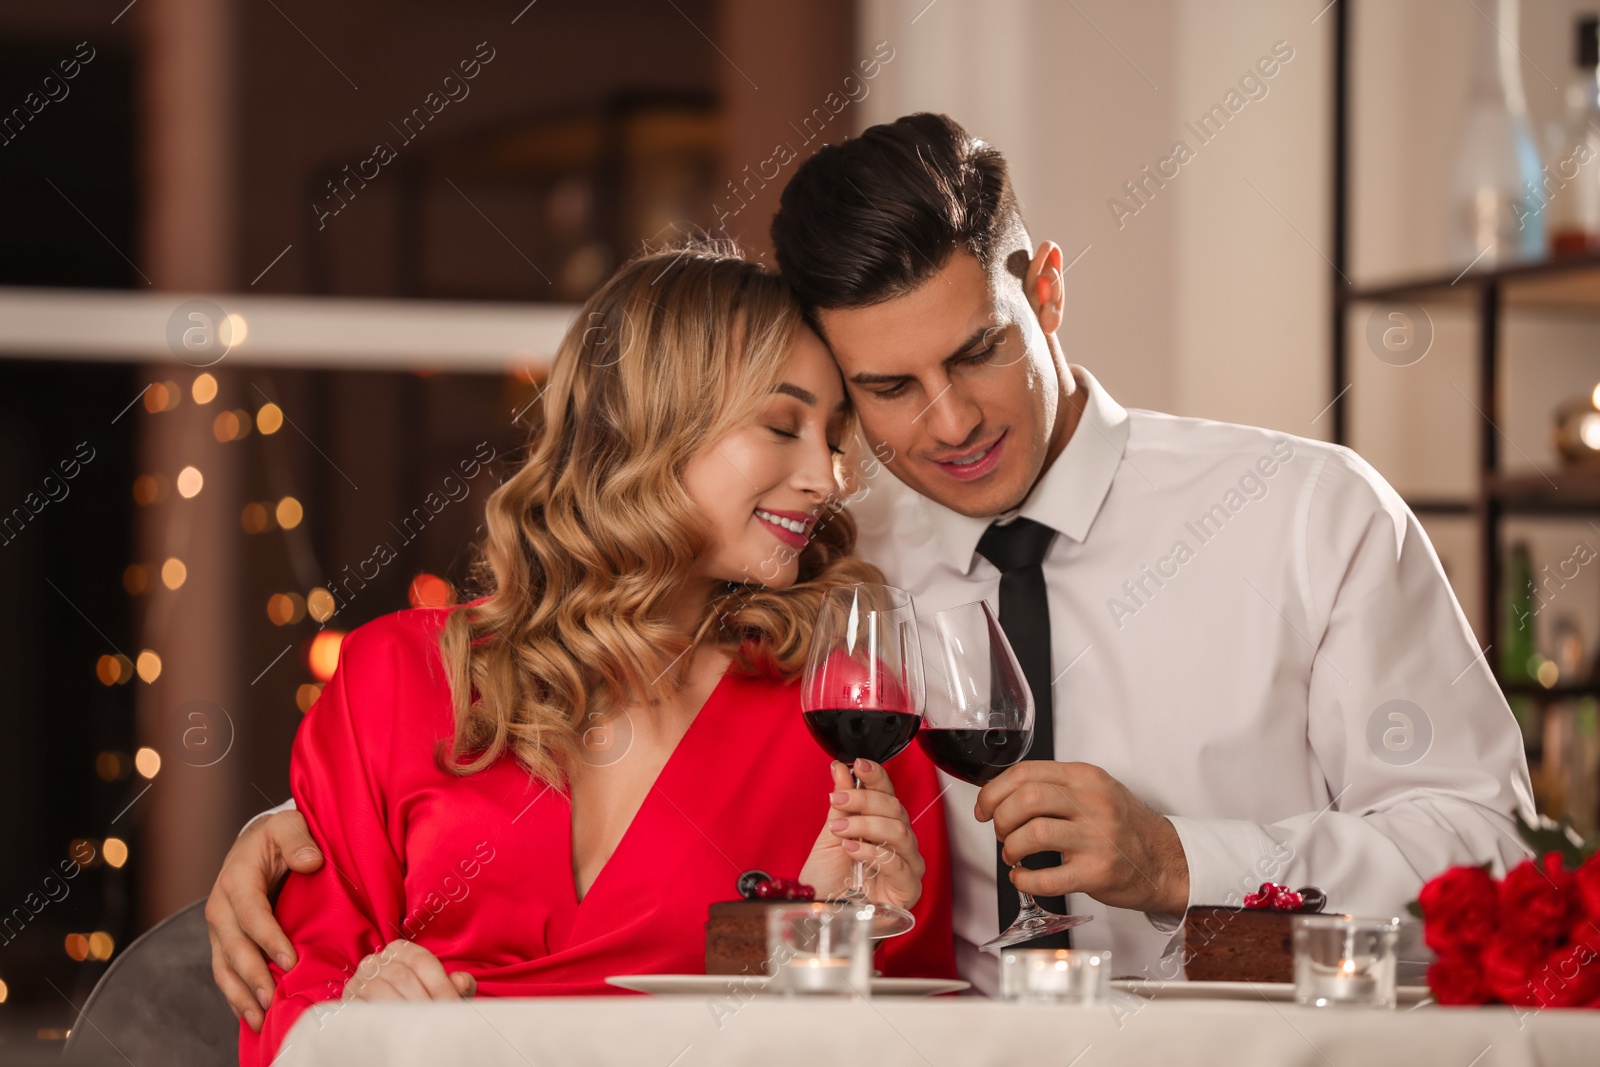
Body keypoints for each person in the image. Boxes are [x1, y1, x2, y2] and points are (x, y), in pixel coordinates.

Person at [764, 112, 1535, 992]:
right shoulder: (843, 578)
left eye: (980, 351)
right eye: (890, 388)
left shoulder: (1310, 514)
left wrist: (1181, 862)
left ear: (1048, 291)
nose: (952, 422)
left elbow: (1492, 858)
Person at [231, 247, 956, 1061]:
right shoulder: (394, 676)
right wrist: (354, 1024)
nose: (825, 476)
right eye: (783, 426)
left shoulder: (840, 718)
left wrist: (829, 938)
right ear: (650, 421)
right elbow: (287, 998)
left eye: (833, 438)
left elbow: (905, 1035)